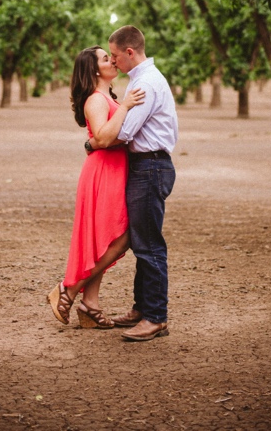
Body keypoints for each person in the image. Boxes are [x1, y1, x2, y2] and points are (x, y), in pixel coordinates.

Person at [88, 25, 178, 342]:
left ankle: (156, 317)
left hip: (151, 165)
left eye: (114, 55)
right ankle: (142, 308)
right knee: (142, 241)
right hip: (145, 165)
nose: (112, 62)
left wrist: (95, 143)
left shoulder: (147, 84)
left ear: (129, 52)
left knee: (149, 244)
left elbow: (124, 133)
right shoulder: (139, 80)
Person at [47, 46, 145, 329]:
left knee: (103, 238)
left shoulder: (105, 97)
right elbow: (102, 137)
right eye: (105, 58)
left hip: (112, 170)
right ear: (93, 71)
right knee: (122, 237)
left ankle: (91, 304)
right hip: (104, 172)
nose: (112, 60)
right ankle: (69, 288)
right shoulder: (96, 99)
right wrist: (125, 107)